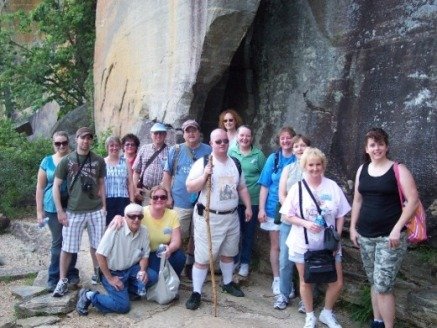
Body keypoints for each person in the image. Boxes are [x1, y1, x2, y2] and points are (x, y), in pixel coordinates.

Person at [350, 128, 418, 328]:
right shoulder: (362, 170)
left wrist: (397, 228)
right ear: (366, 148)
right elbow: (357, 200)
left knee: (383, 286)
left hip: (390, 238)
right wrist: (353, 227)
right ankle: (377, 322)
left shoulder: (398, 169)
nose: (376, 148)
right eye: (372, 144)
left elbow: (413, 201)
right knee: (374, 282)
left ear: (386, 146)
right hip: (365, 235)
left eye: (380, 144)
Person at [281, 147, 350, 328]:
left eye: (318, 164)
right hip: (303, 242)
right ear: (305, 166)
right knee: (306, 281)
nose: (314, 168)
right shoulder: (297, 188)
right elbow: (287, 214)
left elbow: (341, 213)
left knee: (336, 281)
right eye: (311, 165)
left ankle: (326, 313)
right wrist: (305, 223)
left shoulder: (332, 186)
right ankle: (310, 315)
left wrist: (337, 236)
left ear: (323, 165)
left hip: (328, 244)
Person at [185, 128, 252, 310]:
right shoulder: (204, 162)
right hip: (208, 216)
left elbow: (242, 187)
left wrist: (247, 206)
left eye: (225, 141)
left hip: (231, 216)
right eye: (218, 142)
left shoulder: (235, 163)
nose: (222, 144)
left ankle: (227, 283)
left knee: (229, 253)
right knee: (202, 258)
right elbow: (190, 187)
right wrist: (205, 175)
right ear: (211, 143)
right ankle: (196, 292)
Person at [52, 127, 107, 297]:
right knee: (68, 248)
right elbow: (56, 186)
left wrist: (105, 206)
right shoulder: (66, 160)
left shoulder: (98, 160)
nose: (85, 141)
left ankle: (98, 274)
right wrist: (60, 211)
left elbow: (101, 185)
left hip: (95, 209)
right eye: (82, 138)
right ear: (76, 139)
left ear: (91, 140)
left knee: (98, 246)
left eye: (89, 138)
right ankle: (62, 280)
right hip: (73, 211)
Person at [75, 203, 158, 315]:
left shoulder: (143, 231)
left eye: (139, 216)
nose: (136, 219)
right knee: (123, 307)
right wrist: (110, 278)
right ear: (125, 217)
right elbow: (99, 254)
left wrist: (143, 270)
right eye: (132, 216)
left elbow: (144, 255)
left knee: (152, 276)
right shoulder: (116, 229)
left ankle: (126, 291)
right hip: (113, 272)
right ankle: (89, 296)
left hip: (130, 269)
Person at [161, 119, 211, 278]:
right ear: (183, 134)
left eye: (193, 130)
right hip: (180, 200)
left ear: (199, 132)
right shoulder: (175, 151)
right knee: (177, 235)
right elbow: (167, 174)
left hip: (201, 201)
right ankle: (174, 264)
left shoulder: (208, 150)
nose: (191, 133)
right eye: (187, 131)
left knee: (197, 234)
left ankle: (189, 264)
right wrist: (167, 195)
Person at [35, 131, 79, 292]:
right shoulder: (47, 161)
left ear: (69, 143)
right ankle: (53, 277)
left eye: (64, 143)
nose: (61, 146)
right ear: (53, 144)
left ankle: (71, 272)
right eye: (57, 143)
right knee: (58, 242)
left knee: (72, 240)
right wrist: (39, 212)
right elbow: (40, 187)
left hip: (73, 206)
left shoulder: (75, 159)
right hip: (52, 207)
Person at [257, 126, 296, 295]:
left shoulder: (298, 158)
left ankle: (289, 281)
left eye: (289, 138)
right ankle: (277, 279)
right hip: (274, 208)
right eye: (282, 138)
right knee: (276, 246)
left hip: (294, 212)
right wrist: (261, 209)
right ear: (279, 141)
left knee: (292, 248)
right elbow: (265, 185)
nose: (286, 141)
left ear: (294, 139)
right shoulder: (273, 159)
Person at [274, 134, 311, 311]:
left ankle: (307, 299)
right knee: (285, 258)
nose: (299, 149)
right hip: (289, 220)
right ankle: (283, 293)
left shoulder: (313, 168)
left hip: (308, 223)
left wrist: (304, 217)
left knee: (308, 259)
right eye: (296, 146)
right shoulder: (288, 169)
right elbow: (282, 194)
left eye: (303, 145)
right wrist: (291, 212)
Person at [228, 125, 266, 277]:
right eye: (242, 135)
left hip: (253, 200)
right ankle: (234, 260)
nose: (244, 138)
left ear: (251, 137)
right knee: (234, 233)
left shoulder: (258, 155)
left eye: (247, 136)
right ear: (237, 136)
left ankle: (245, 262)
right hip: (234, 201)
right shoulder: (231, 152)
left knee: (248, 233)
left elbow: (264, 178)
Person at [133, 122, 169, 205]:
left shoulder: (170, 151)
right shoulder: (144, 149)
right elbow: (136, 171)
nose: (158, 135)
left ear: (165, 135)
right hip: (145, 192)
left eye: (161, 133)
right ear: (151, 134)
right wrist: (135, 189)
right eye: (156, 133)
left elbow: (172, 175)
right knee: (144, 215)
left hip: (161, 194)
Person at [104, 136, 134, 225]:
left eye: (117, 145)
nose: (114, 148)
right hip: (108, 199)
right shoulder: (102, 162)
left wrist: (132, 201)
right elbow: (100, 184)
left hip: (123, 199)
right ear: (107, 147)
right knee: (109, 227)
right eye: (111, 145)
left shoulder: (125, 162)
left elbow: (130, 183)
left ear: (120, 147)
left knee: (124, 225)